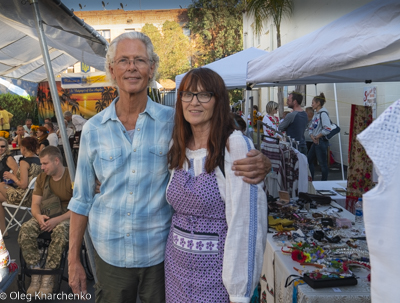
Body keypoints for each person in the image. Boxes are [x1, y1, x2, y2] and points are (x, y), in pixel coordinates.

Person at [67, 31, 270, 303]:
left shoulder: (173, 124)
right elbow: (81, 199)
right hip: (110, 254)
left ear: (152, 69)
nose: (131, 67)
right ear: (111, 69)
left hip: (161, 256)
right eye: (123, 60)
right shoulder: (92, 130)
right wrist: (73, 260)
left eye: (139, 60)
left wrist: (261, 160)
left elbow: (214, 139)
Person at [165, 68, 268, 302]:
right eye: (188, 94)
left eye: (204, 95)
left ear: (218, 101)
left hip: (217, 278)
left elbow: (246, 222)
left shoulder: (233, 145)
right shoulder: (178, 143)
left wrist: (239, 293)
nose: (194, 102)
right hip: (176, 272)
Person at [18, 146, 72, 297]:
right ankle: (36, 272)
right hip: (47, 214)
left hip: (67, 216)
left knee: (61, 230)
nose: (41, 167)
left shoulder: (72, 176)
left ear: (56, 160)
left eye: (45, 163)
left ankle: (49, 274)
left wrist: (58, 220)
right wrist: (38, 217)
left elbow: (79, 208)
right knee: (26, 229)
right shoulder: (42, 178)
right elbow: (35, 204)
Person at [0, 137, 41, 236]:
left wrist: (12, 177)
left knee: (0, 185)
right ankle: (2, 230)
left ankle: (3, 230)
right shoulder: (39, 160)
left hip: (23, 197)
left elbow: (23, 185)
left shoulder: (24, 162)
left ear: (23, 148)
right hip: (36, 197)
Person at [308, 93, 332, 181]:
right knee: (308, 161)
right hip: (315, 142)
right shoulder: (316, 114)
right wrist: (311, 136)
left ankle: (324, 182)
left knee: (323, 164)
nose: (312, 104)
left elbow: (327, 129)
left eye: (313, 102)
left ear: (318, 103)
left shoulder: (323, 114)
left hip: (320, 142)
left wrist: (317, 137)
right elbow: (311, 127)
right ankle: (311, 179)